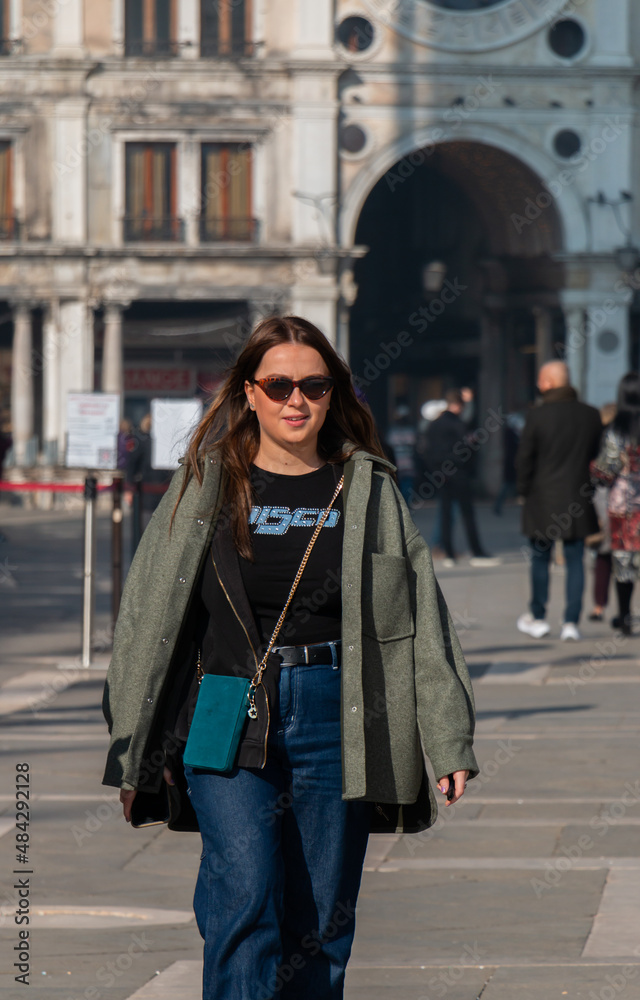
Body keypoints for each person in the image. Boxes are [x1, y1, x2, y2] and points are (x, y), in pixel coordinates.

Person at [102, 316, 478, 1000]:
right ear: (249, 392)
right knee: (244, 894)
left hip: (338, 709)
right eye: (278, 385)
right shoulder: (207, 484)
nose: (295, 399)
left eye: (313, 384)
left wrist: (447, 735)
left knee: (321, 921)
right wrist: (133, 752)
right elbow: (147, 619)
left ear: (333, 395)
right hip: (224, 704)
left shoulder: (367, 488)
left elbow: (420, 613)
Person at [516, 360, 602, 641]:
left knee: (541, 559)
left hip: (542, 499)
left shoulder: (537, 416)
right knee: (576, 559)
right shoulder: (590, 415)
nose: (539, 385)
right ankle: (571, 623)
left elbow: (524, 459)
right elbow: (596, 456)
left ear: (550, 383)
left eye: (541, 380)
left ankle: (538, 618)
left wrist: (522, 490)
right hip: (577, 497)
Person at [423, 388, 495, 567]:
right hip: (458, 473)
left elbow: (426, 451)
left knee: (446, 514)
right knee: (467, 513)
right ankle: (476, 551)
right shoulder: (456, 424)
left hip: (441, 474)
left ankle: (448, 553)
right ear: (458, 406)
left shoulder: (433, 425)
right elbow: (466, 448)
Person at [591, 375, 640, 636]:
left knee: (623, 564)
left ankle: (624, 617)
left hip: (623, 507)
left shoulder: (616, 431)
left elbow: (604, 472)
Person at [588, 403, 616, 621]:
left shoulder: (597, 437)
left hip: (603, 498)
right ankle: (624, 609)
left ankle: (599, 605)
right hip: (626, 501)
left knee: (603, 556)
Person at [385, 404, 417, 502]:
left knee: (406, 491)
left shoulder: (410, 431)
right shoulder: (393, 432)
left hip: (407, 466)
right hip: (397, 466)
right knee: (401, 490)